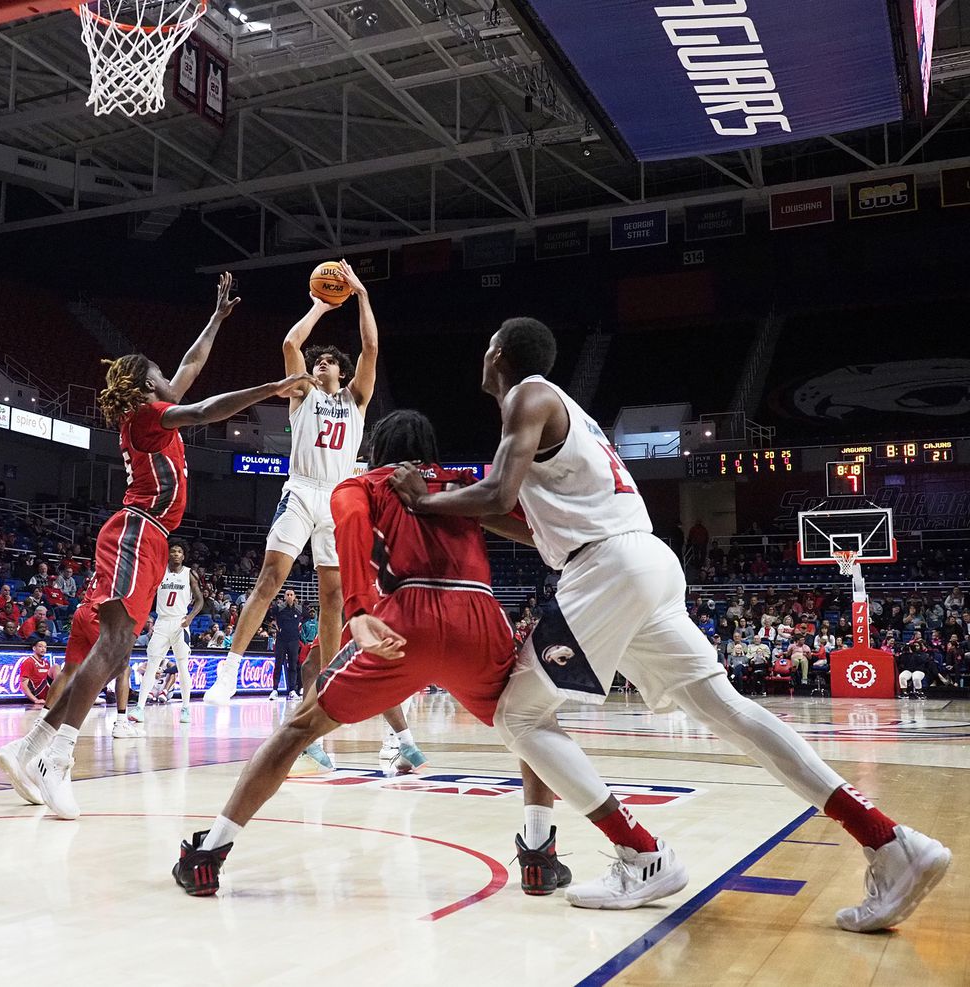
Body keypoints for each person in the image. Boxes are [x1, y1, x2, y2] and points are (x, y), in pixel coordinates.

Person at [389, 316, 950, 931]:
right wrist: (455, 512)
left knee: (517, 716)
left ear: (498, 353)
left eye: (487, 343)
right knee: (729, 711)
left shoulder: (529, 392)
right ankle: (888, 840)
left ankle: (640, 853)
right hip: (640, 562)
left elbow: (498, 494)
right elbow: (526, 525)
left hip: (606, 568)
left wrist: (424, 501)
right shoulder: (562, 416)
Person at [172, 411, 541, 897]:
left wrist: (359, 608)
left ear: (376, 448)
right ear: (430, 450)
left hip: (405, 620)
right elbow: (536, 530)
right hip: (480, 617)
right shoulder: (463, 484)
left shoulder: (361, 484)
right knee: (533, 731)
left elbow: (350, 530)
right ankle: (539, 853)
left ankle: (210, 853)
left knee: (297, 730)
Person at [0, 272, 315, 818]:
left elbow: (191, 368)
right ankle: (58, 759)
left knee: (109, 647)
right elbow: (205, 409)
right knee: (117, 645)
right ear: (146, 387)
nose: (173, 377)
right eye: (161, 375)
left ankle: (28, 749)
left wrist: (215, 320)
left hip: (146, 536)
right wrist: (272, 388)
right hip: (137, 530)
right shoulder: (148, 416)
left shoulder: (149, 412)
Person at [205, 260, 376, 723]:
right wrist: (320, 305)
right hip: (301, 490)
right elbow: (289, 343)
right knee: (269, 579)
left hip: (338, 499)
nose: (320, 364)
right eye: (317, 361)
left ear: (340, 371)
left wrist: (359, 294)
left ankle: (329, 683)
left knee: (333, 597)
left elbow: (370, 345)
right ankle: (230, 670)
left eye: (328, 362)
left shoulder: (355, 399)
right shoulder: (303, 395)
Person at [130, 541, 203, 727]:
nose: (176, 554)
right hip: (162, 622)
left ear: (183, 556)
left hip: (180, 622)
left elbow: (200, 600)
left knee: (182, 665)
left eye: (179, 551)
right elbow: (146, 593)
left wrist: (191, 617)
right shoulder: (159, 572)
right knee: (152, 664)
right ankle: (139, 708)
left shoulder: (189, 574)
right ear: (168, 555)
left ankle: (186, 707)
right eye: (173, 551)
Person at [269, 589, 307, 701]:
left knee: (293, 666)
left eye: (291, 595)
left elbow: (308, 616)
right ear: (284, 596)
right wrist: (274, 624)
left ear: (294, 597)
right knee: (278, 664)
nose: (289, 596)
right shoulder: (278, 608)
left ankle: (292, 690)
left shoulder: (299, 609)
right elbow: (268, 614)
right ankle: (275, 690)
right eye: (287, 595)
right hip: (281, 640)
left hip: (294, 640)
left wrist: (300, 623)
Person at [17, 640, 56, 706]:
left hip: (48, 690)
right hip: (38, 691)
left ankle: (61, 693)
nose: (43, 649)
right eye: (40, 646)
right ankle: (61, 694)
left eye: (45, 647)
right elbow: (23, 684)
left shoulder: (46, 663)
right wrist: (35, 700)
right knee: (56, 667)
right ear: (34, 648)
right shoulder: (29, 662)